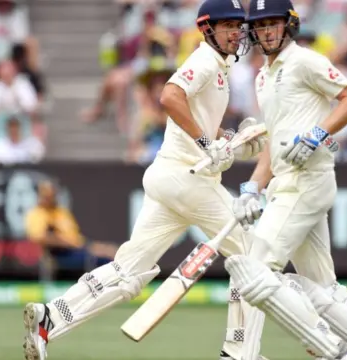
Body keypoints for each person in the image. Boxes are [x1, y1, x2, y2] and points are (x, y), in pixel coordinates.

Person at [21, 1, 267, 360]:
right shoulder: (203, 61)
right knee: (253, 254)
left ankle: (51, 318)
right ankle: (240, 351)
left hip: (172, 177)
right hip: (189, 180)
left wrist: (233, 141)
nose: (237, 32)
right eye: (228, 25)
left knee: (128, 273)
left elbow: (205, 133)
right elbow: (170, 95)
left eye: (238, 25)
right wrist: (205, 143)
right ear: (207, 29)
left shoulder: (219, 70)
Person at [224, 1, 347, 360]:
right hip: (286, 182)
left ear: (289, 26)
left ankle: (325, 345)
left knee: (255, 269)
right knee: (323, 287)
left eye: (275, 24)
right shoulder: (263, 76)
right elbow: (274, 137)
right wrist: (254, 186)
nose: (268, 31)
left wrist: (316, 133)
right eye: (262, 25)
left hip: (307, 179)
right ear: (252, 31)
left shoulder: (305, 61)